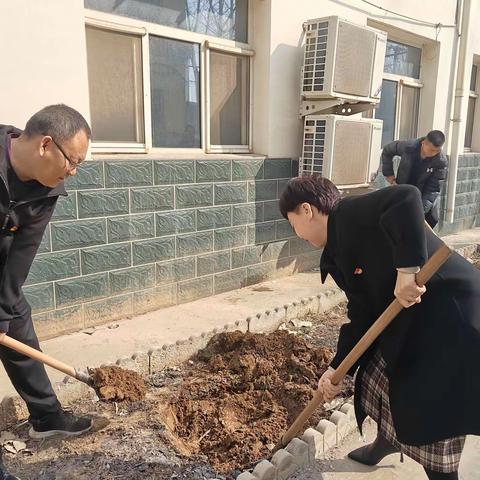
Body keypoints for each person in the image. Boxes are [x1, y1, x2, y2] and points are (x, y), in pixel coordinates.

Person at [279, 174, 480, 480]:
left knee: (432, 411)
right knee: (376, 374)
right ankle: (387, 441)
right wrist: (337, 368)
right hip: (417, 320)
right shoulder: (336, 252)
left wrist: (407, 269)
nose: (296, 233)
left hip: (451, 317)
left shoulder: (349, 213)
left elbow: (406, 197)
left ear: (307, 209)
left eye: (292, 222)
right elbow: (362, 314)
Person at [0, 105, 93, 479]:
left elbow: (20, 257)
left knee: (15, 321)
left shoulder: (46, 190)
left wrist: (2, 315)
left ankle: (47, 416)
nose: (73, 171)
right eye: (73, 161)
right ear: (45, 145)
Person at [381, 130, 448, 228]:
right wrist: (389, 175)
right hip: (402, 190)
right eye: (431, 150)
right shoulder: (409, 147)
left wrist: (419, 211)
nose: (434, 153)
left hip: (422, 197)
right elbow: (387, 150)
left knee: (430, 220)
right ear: (423, 143)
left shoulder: (440, 162)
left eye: (437, 151)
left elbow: (433, 190)